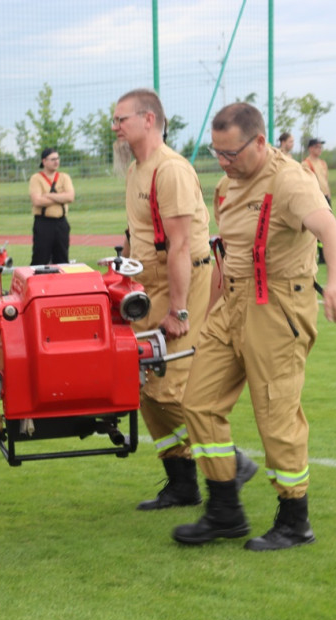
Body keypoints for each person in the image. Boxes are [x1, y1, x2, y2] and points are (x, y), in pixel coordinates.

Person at [172, 103, 336, 551]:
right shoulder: (226, 184)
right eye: (217, 153)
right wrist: (210, 312)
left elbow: (333, 232)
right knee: (197, 403)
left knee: (276, 413)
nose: (224, 162)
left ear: (259, 141)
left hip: (276, 306)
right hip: (231, 304)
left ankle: (295, 518)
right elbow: (227, 252)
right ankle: (224, 510)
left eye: (231, 153)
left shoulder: (291, 181)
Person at [111, 88, 257, 512]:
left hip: (179, 281)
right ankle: (181, 481)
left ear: (149, 120)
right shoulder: (139, 169)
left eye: (122, 119)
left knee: (173, 385)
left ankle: (230, 464)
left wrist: (179, 311)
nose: (116, 127)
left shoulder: (170, 170)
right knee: (142, 381)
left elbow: (178, 246)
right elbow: (136, 233)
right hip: (147, 283)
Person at [29, 147, 75, 265]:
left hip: (61, 223)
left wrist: (49, 195)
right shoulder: (36, 178)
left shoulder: (64, 177)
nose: (56, 162)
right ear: (44, 161)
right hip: (44, 223)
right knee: (40, 259)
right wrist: (61, 197)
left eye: (58, 158)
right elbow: (37, 201)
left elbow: (70, 197)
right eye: (53, 159)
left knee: (62, 259)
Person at [301, 138, 331, 264]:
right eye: (317, 147)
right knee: (316, 229)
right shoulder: (306, 163)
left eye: (320, 147)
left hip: (325, 197)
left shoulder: (323, 163)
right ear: (311, 148)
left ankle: (325, 254)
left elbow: (325, 180)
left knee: (326, 227)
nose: (319, 149)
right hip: (315, 198)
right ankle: (318, 255)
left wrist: (329, 195)